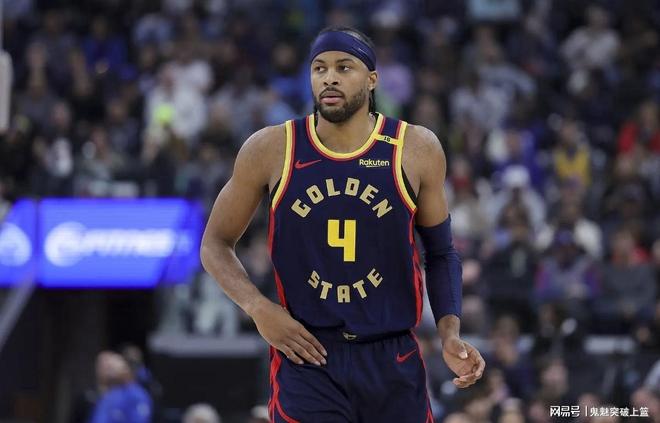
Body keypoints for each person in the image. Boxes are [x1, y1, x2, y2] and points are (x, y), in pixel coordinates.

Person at [200, 26, 485, 422]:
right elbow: (214, 243)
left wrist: (449, 332)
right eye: (319, 68)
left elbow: (441, 252)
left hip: (392, 356)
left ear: (372, 80)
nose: (329, 78)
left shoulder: (414, 148)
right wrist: (259, 308)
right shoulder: (272, 148)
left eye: (344, 67)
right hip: (307, 355)